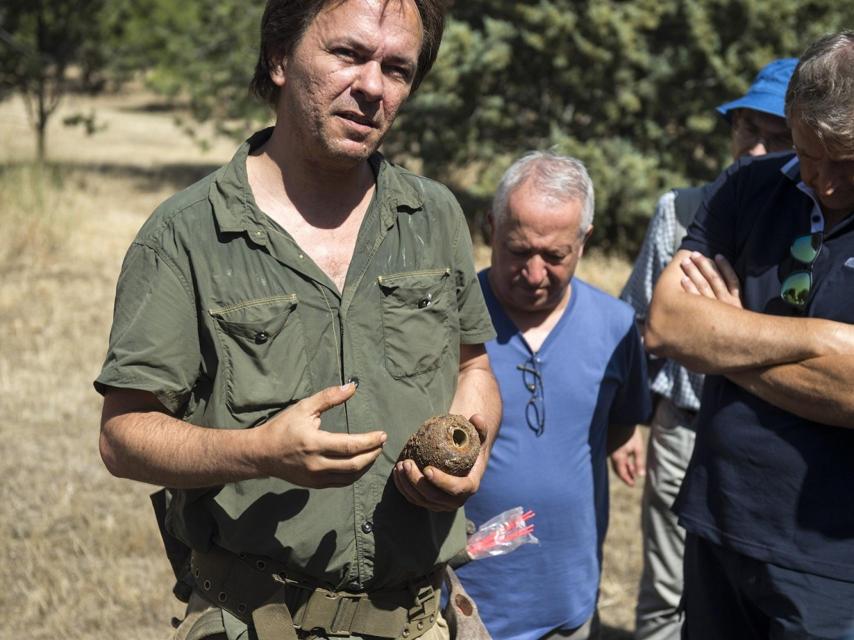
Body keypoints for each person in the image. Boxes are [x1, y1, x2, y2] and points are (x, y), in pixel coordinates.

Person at [94, 1, 502, 639]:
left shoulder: (434, 217)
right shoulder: (185, 234)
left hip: (424, 618)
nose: (371, 87)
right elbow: (122, 435)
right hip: (257, 619)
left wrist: (471, 449)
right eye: (347, 54)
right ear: (280, 58)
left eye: (397, 68)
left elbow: (472, 367)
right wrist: (256, 452)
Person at [646, 32, 854, 638]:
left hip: (831, 564)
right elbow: (667, 325)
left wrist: (726, 340)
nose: (825, 181)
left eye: (846, 160)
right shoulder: (747, 186)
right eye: (808, 153)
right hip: (718, 521)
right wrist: (827, 345)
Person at [619, 57, 796, 640]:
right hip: (683, 423)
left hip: (768, 433)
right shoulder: (683, 211)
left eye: (777, 138)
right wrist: (629, 424)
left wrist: (716, 325)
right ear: (731, 128)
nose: (755, 150)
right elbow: (646, 326)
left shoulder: (809, 231)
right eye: (749, 130)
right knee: (667, 588)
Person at [454, 152, 652, 640]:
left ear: (585, 240)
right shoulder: (448, 321)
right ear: (490, 227)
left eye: (555, 256)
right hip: (459, 605)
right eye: (519, 250)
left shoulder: (617, 327)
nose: (535, 273)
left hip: (568, 606)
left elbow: (620, 426)